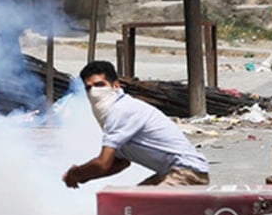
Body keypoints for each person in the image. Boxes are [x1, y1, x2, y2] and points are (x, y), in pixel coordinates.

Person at [62, 61, 211, 188]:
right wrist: (83, 177)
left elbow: (103, 163)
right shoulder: (112, 114)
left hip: (187, 173)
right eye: (89, 88)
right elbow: (119, 163)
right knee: (125, 209)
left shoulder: (121, 110)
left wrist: (76, 174)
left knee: (135, 210)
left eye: (100, 85)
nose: (94, 92)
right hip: (172, 173)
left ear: (116, 85)